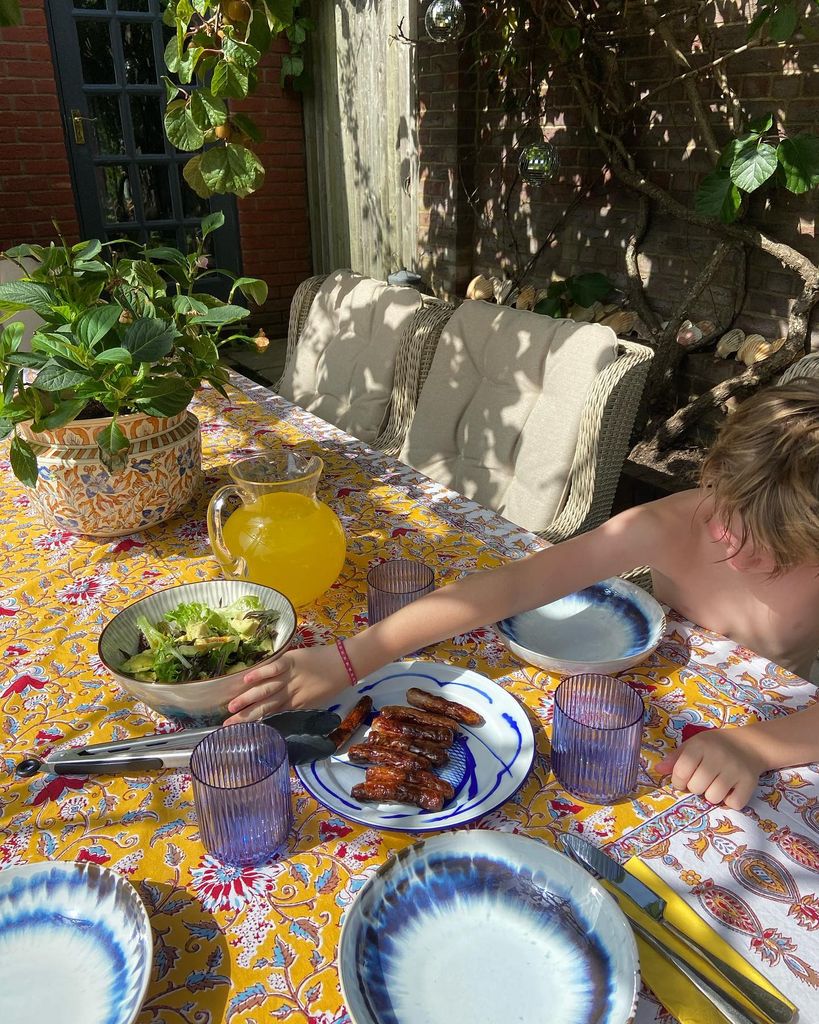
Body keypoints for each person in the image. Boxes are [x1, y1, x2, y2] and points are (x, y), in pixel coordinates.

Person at [226, 379, 819, 810]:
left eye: (769, 550)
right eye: (725, 516)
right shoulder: (670, 524)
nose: (732, 549)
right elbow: (511, 585)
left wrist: (755, 745)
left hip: (762, 741)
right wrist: (348, 656)